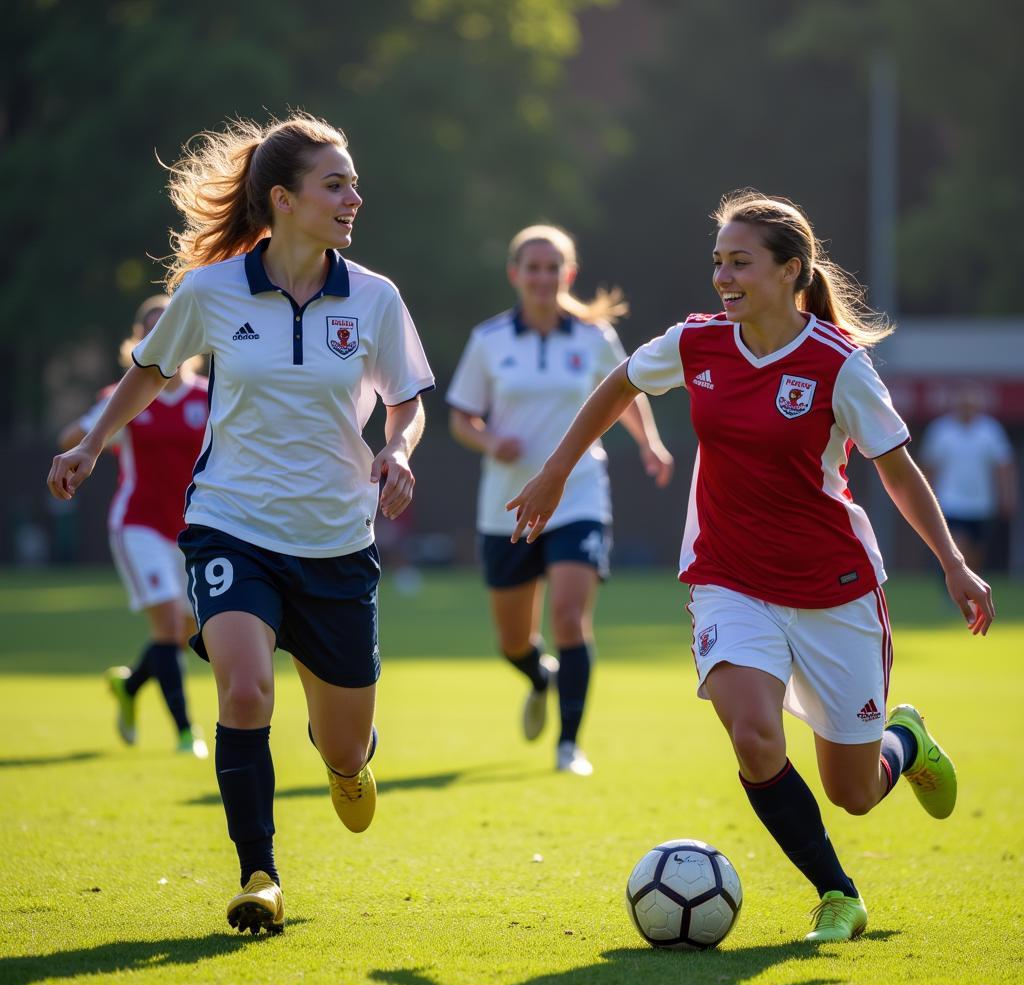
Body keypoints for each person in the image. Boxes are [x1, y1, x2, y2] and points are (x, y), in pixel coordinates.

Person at [508, 191, 994, 942]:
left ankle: (907, 741)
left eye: (740, 263)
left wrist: (954, 564)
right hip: (728, 580)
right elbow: (621, 385)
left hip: (834, 591)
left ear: (791, 271)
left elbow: (897, 472)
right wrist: (554, 471)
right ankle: (839, 894)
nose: (723, 278)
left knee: (855, 792)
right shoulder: (697, 343)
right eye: (717, 263)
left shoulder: (839, 364)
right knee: (754, 737)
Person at [48, 113, 435, 936]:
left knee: (344, 749)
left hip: (337, 541)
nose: (354, 198)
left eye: (353, 182)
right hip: (232, 524)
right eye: (336, 184)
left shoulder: (375, 298)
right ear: (285, 199)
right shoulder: (211, 291)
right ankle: (260, 873)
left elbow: (407, 403)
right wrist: (91, 442)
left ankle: (347, 762)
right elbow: (149, 374)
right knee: (245, 689)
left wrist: (398, 451)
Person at [448, 225, 673, 775]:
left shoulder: (593, 339)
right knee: (512, 641)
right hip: (507, 505)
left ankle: (569, 745)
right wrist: (488, 440)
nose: (543, 277)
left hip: (579, 496)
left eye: (554, 268)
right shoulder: (489, 340)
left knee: (570, 617)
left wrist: (650, 444)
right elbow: (460, 417)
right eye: (534, 267)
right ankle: (539, 676)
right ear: (515, 274)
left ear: (568, 274)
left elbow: (624, 393)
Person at [59, 296, 209, 758]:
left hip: (194, 531)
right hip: (139, 524)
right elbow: (74, 440)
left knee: (184, 632)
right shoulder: (123, 396)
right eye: (153, 328)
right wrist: (89, 440)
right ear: (140, 341)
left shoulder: (210, 395)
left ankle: (131, 686)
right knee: (166, 625)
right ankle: (187, 733)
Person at [920, 381, 1017, 571]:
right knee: (958, 548)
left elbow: (1003, 467)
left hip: (981, 503)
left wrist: (1007, 495)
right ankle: (953, 589)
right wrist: (928, 498)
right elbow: (929, 467)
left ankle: (970, 591)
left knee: (976, 554)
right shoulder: (941, 430)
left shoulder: (991, 430)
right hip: (950, 501)